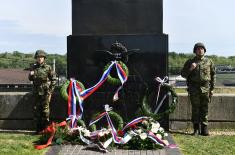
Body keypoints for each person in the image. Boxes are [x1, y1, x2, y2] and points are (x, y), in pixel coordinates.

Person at [181, 42, 215, 136]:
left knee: (205, 108)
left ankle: (204, 128)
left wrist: (212, 89)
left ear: (204, 50)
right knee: (195, 108)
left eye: (202, 49)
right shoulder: (190, 62)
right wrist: (191, 69)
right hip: (194, 88)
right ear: (195, 51)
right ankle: (196, 128)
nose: (200, 50)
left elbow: (213, 75)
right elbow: (183, 75)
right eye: (198, 49)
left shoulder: (209, 61)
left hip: (205, 88)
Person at [28, 50, 57, 133]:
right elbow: (30, 79)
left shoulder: (48, 67)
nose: (39, 59)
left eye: (41, 57)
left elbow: (54, 80)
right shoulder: (33, 67)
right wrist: (31, 74)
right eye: (38, 57)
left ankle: (46, 129)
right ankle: (38, 130)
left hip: (45, 92)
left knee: (45, 111)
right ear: (36, 58)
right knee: (36, 110)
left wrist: (50, 91)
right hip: (36, 91)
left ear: (44, 58)